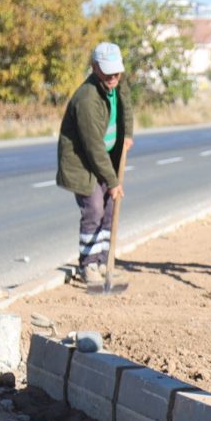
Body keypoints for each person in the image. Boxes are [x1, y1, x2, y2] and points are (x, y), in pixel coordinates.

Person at [56, 42, 134, 285]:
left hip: (106, 160)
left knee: (110, 210)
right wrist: (112, 181)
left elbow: (127, 109)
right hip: (83, 164)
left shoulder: (117, 84)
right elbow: (93, 146)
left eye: (116, 71)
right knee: (94, 210)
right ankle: (88, 265)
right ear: (94, 68)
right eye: (107, 71)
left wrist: (128, 135)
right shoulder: (87, 98)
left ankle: (103, 262)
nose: (113, 77)